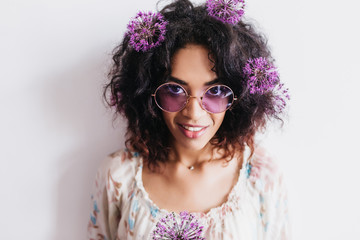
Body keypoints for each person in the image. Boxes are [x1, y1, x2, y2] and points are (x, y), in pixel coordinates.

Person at [87, 0, 290, 239]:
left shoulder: (260, 175)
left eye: (215, 92)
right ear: (148, 94)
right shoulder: (118, 176)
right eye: (174, 90)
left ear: (238, 98)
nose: (193, 113)